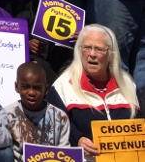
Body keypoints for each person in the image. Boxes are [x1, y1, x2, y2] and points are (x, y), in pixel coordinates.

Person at [46, 24, 141, 161]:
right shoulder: (62, 86)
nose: (92, 54)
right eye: (87, 48)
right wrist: (77, 139)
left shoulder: (128, 84)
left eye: (99, 49)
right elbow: (51, 127)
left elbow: (139, 123)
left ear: (110, 55)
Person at [5, 63, 70, 162]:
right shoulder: (8, 115)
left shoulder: (60, 117)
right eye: (25, 87)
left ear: (46, 90)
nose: (31, 93)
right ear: (16, 87)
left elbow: (65, 151)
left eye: (37, 88)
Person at [16, 0, 72, 83]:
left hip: (64, 70)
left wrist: (79, 40)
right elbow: (10, 48)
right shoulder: (24, 17)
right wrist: (26, 46)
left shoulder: (74, 21)